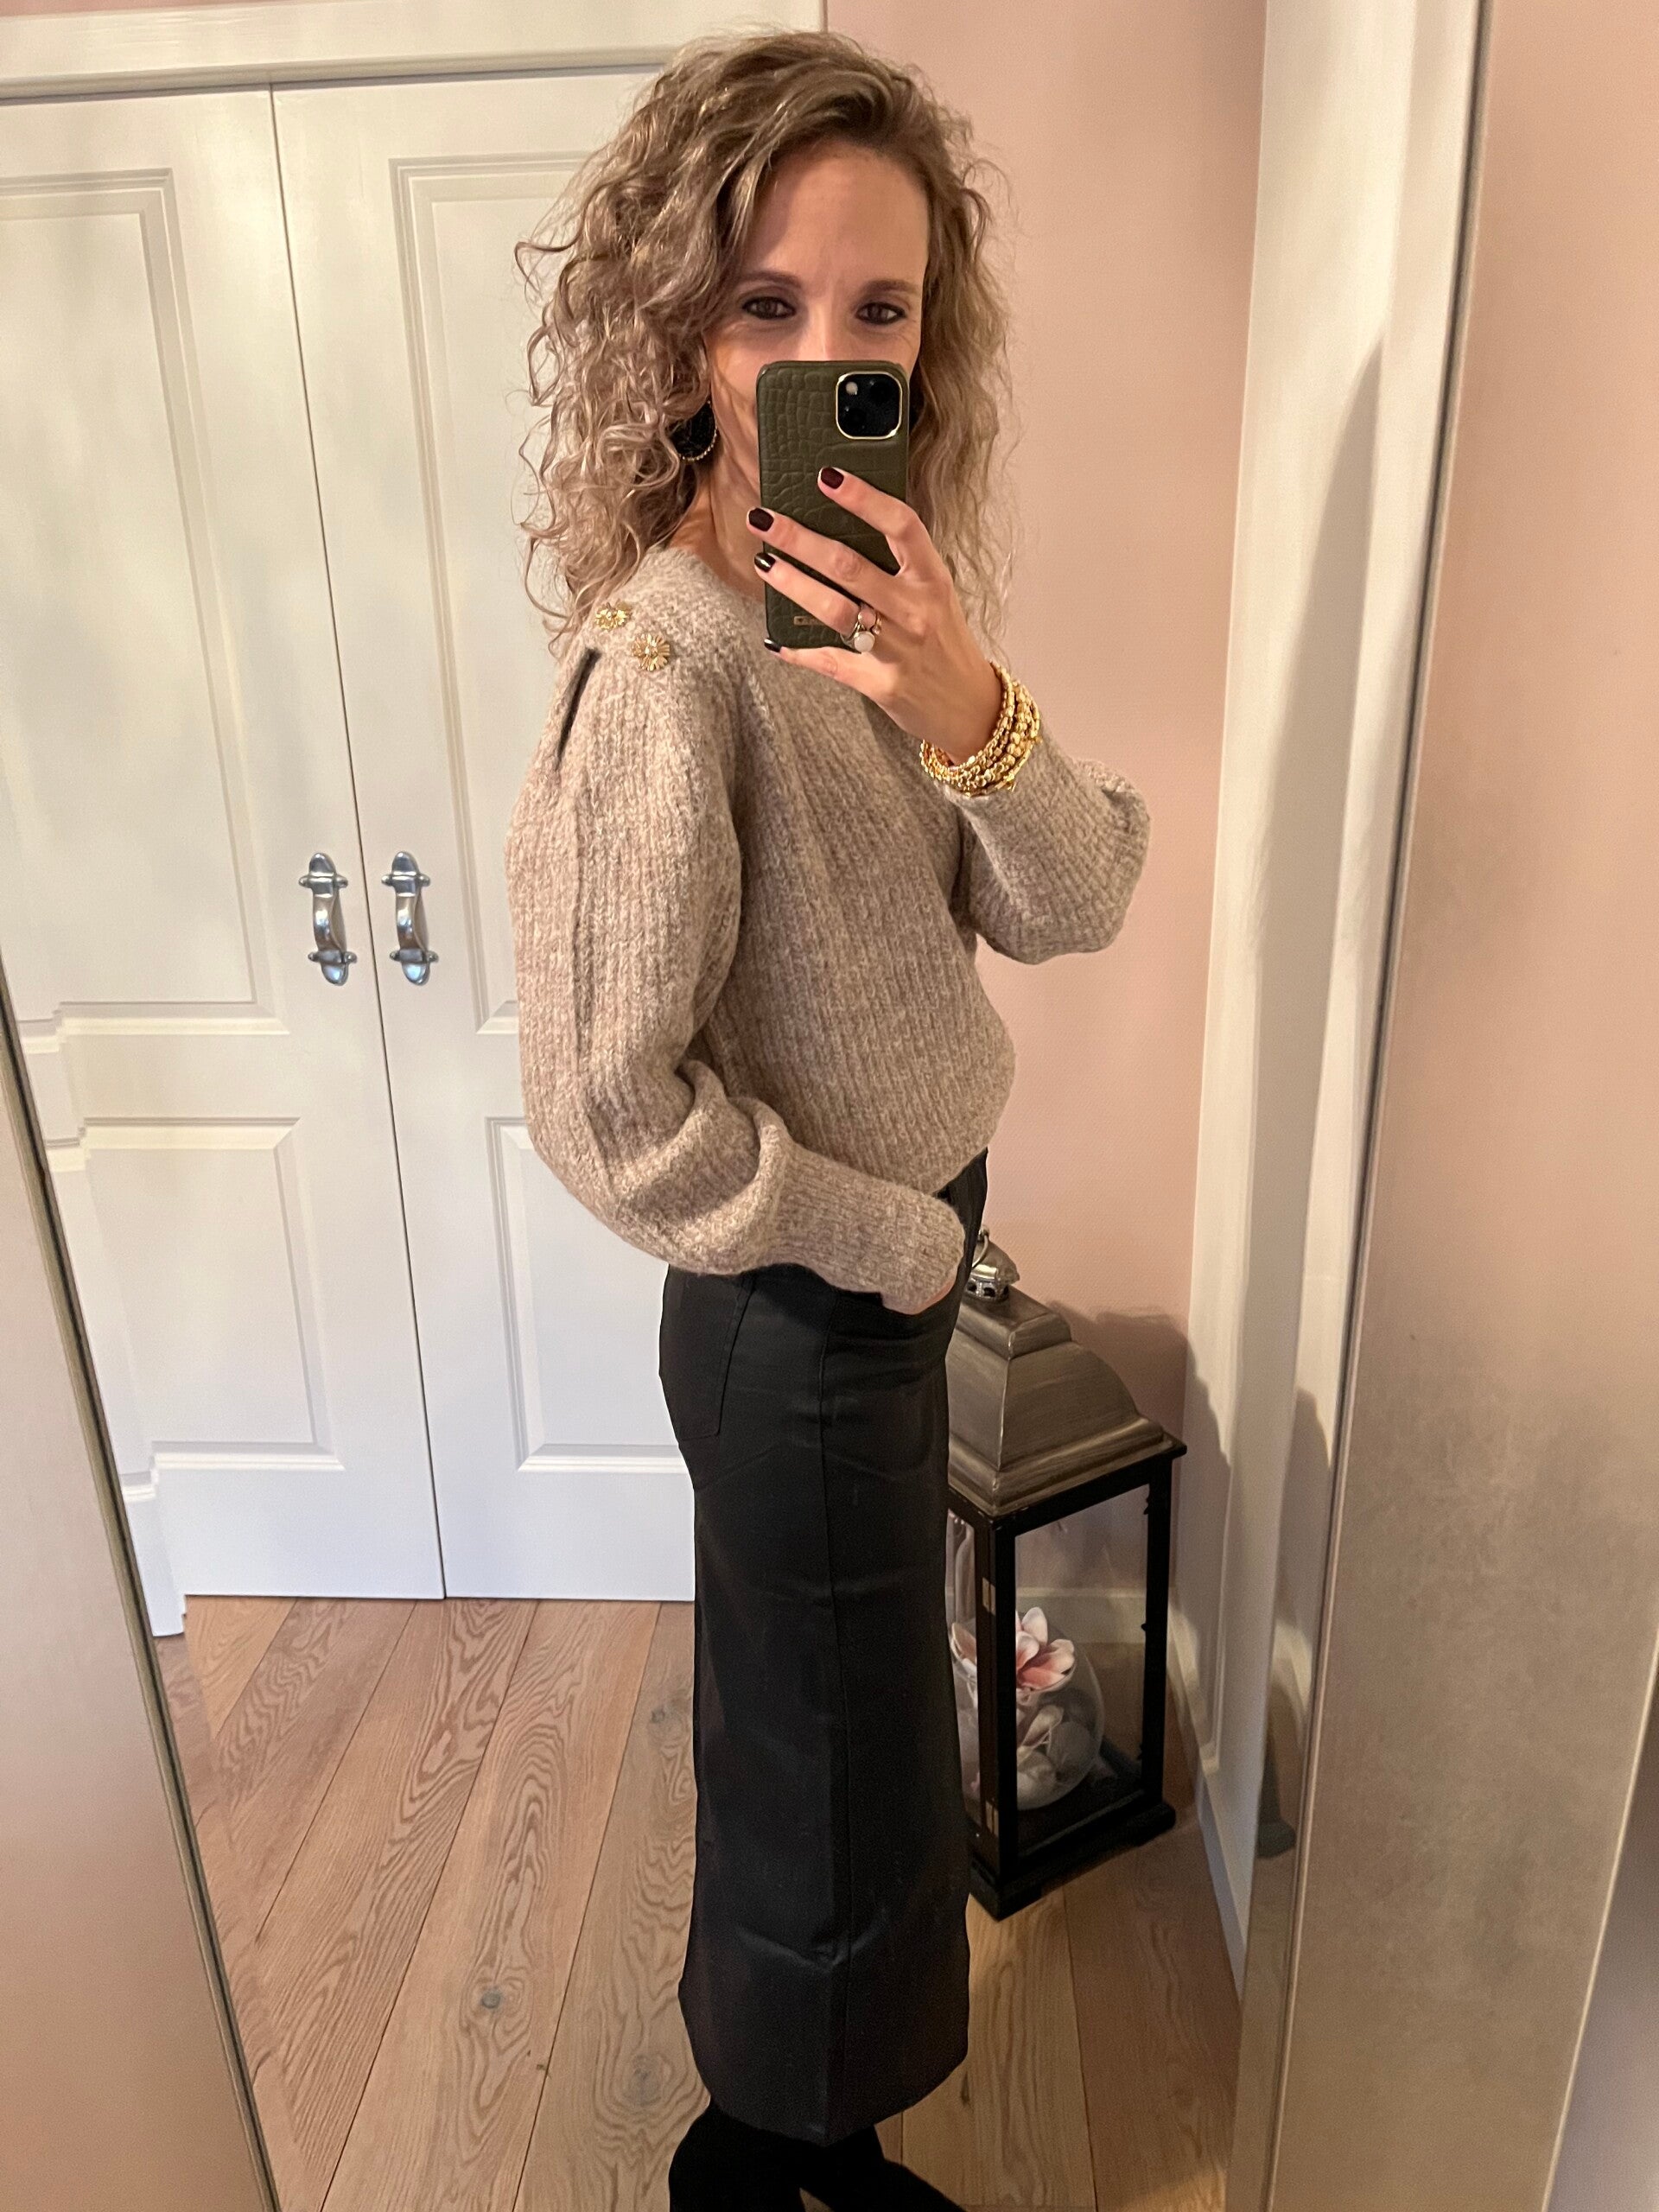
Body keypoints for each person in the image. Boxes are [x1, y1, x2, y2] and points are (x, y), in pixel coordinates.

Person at [505, 29, 1150, 2211]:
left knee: (826, 1741)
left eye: (878, 311)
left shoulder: (883, 608)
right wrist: (892, 1242)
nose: (825, 358)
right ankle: (785, 2157)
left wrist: (971, 708)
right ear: (683, 330)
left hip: (875, 1274)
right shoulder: (672, 664)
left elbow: (1079, 895)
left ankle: (777, 2128)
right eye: (767, 304)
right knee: (842, 1762)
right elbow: (609, 1110)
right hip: (805, 1300)